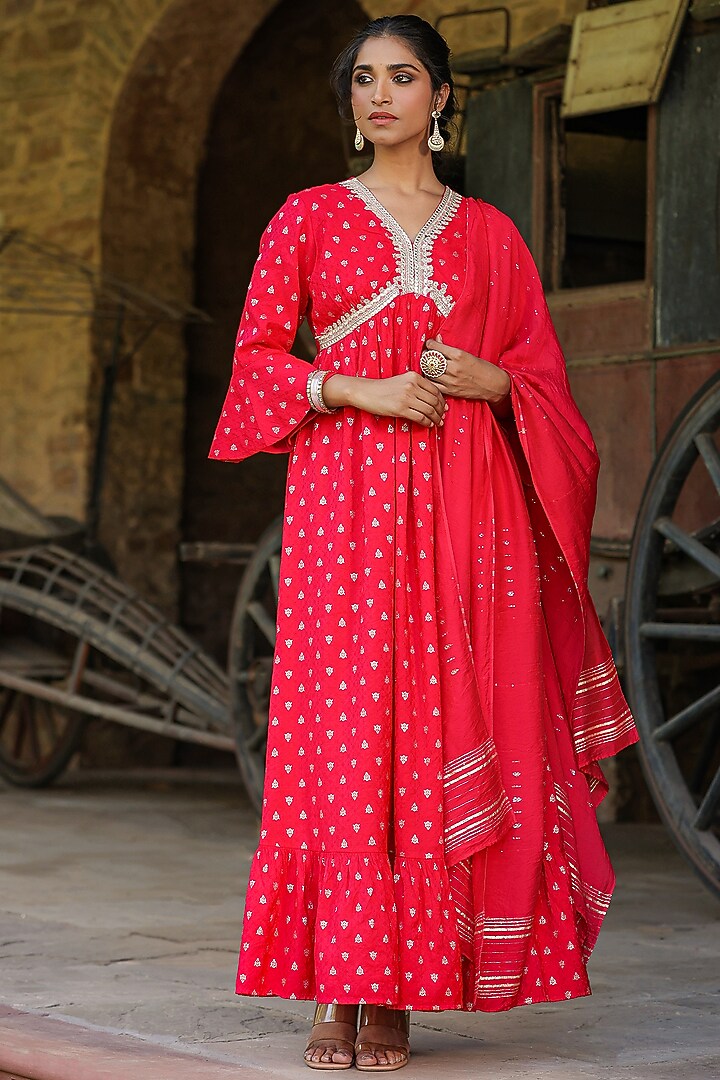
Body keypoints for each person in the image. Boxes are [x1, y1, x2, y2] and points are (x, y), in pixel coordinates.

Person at [210, 13, 637, 1073]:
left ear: (442, 97)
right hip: (342, 502)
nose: (380, 95)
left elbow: (540, 384)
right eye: (364, 79)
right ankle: (335, 984)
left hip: (464, 512)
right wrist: (355, 385)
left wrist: (482, 380)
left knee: (433, 717)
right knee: (340, 731)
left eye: (403, 77)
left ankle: (399, 987)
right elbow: (257, 364)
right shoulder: (307, 218)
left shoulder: (490, 235)